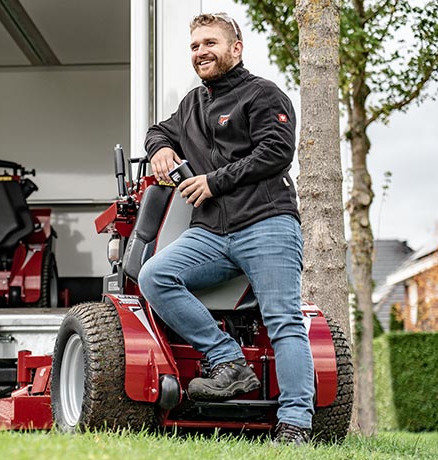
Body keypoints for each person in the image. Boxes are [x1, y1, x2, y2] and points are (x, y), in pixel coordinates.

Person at [138, 13, 315, 445]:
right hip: (211, 234)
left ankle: (295, 423)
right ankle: (227, 361)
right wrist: (160, 147)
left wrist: (213, 182)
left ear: (236, 48)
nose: (201, 52)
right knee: (154, 276)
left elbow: (276, 152)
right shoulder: (192, 106)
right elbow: (158, 131)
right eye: (195, 45)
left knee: (284, 321)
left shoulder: (263, 94)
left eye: (210, 43)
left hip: (266, 223)